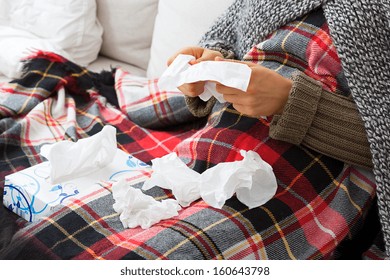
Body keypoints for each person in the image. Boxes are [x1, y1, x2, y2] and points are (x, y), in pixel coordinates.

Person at [166, 0, 390, 257]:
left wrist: (290, 103)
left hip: (312, 180)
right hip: (218, 140)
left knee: (186, 251)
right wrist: (208, 64)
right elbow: (222, 37)